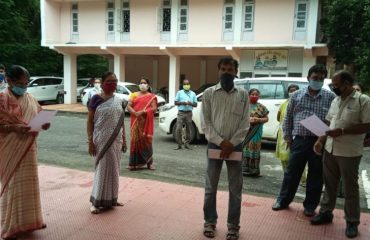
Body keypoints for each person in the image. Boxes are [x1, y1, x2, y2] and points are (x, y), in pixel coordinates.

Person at [311, 71, 370, 238]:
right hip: (330, 148)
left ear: (347, 83)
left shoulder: (363, 100)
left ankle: (352, 222)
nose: (333, 88)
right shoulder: (336, 100)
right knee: (329, 184)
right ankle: (325, 213)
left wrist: (343, 131)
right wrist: (320, 140)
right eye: (332, 85)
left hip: (349, 152)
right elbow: (329, 123)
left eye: (336, 85)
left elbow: (368, 125)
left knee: (350, 188)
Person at [272, 64, 335, 218]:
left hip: (319, 142)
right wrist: (288, 138)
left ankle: (310, 206)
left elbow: (333, 120)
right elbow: (288, 119)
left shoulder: (331, 97)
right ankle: (283, 200)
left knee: (316, 175)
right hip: (299, 140)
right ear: (308, 78)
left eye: (321, 78)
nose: (318, 81)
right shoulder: (296, 95)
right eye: (315, 78)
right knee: (292, 173)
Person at [201, 57, 249, 240]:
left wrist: (232, 142)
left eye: (230, 69)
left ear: (236, 72)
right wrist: (221, 142)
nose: (227, 72)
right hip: (215, 145)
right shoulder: (209, 93)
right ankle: (209, 222)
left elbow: (245, 123)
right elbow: (206, 123)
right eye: (223, 69)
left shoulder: (243, 95)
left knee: (235, 189)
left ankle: (233, 226)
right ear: (218, 71)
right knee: (210, 187)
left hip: (236, 146)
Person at [0, 65, 50, 239]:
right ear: (9, 80)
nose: (24, 87)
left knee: (29, 185)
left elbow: (41, 116)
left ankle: (30, 221)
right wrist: (14, 127)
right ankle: (10, 226)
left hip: (29, 149)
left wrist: (44, 123)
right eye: (20, 83)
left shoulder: (30, 98)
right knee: (12, 186)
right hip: (10, 150)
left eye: (26, 83)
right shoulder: (2, 99)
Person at [87, 71, 127, 214]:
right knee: (102, 169)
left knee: (115, 169)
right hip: (101, 140)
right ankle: (95, 201)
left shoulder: (119, 100)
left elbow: (121, 122)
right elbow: (89, 121)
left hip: (116, 140)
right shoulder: (96, 99)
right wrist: (90, 142)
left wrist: (124, 140)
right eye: (109, 81)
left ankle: (112, 199)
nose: (113, 84)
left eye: (115, 81)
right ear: (102, 83)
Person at [127, 78, 157, 170]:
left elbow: (154, 108)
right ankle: (134, 164)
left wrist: (143, 112)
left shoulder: (151, 96)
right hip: (135, 121)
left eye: (144, 83)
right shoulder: (133, 95)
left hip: (145, 123)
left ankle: (149, 163)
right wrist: (135, 113)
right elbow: (128, 106)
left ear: (148, 85)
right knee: (135, 141)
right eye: (141, 83)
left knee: (146, 141)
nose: (142, 84)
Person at [242, 88, 269, 177]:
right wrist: (248, 120)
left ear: (259, 96)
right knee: (245, 149)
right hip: (245, 132)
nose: (254, 96)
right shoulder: (244, 106)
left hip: (256, 132)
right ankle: (244, 169)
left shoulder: (261, 107)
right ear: (248, 95)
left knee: (255, 149)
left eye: (256, 95)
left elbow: (266, 118)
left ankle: (254, 171)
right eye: (252, 94)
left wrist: (259, 119)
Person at [275, 84, 299, 171]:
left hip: (295, 134)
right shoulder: (284, 104)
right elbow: (278, 117)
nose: (292, 92)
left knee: (296, 158)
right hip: (283, 134)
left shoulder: (300, 103)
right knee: (284, 157)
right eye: (291, 91)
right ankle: (286, 175)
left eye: (295, 90)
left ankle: (302, 180)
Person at [174, 79, 198, 150]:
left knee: (188, 129)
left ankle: (187, 144)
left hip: (189, 113)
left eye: (187, 84)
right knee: (178, 129)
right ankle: (179, 144)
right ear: (183, 85)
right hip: (181, 113)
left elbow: (195, 104)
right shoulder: (179, 93)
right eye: (185, 84)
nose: (186, 85)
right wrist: (182, 102)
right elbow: (175, 102)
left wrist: (191, 103)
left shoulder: (193, 94)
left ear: (189, 85)